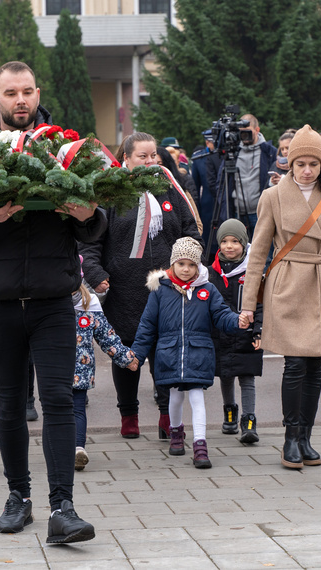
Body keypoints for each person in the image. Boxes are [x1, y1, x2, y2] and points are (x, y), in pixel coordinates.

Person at [0, 60, 106, 543]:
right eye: (11, 93)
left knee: (56, 402)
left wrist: (85, 213)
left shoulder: (67, 150)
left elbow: (97, 223)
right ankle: (18, 498)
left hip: (55, 299)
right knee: (8, 405)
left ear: (38, 92)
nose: (21, 101)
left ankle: (63, 508)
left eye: (27, 91)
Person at [241, 125, 321, 470]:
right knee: (294, 364)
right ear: (289, 163)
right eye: (300, 163)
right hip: (287, 282)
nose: (307, 170)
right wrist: (248, 305)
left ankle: (306, 436)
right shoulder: (272, 196)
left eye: (314, 163)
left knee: (316, 365)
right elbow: (257, 252)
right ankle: (290, 437)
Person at [81, 131, 201, 441]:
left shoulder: (169, 189)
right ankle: (129, 415)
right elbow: (91, 240)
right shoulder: (109, 192)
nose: (150, 162)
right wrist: (95, 272)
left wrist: (187, 265)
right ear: (126, 159)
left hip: (167, 289)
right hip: (124, 290)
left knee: (166, 353)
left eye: (154, 156)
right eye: (143, 157)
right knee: (126, 355)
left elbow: (189, 231)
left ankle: (167, 415)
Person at [132, 237, 244, 468]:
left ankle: (200, 444)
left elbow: (222, 315)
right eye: (181, 264)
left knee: (196, 396)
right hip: (169, 353)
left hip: (198, 353)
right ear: (173, 264)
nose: (186, 269)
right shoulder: (160, 291)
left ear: (198, 267)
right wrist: (137, 355)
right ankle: (176, 433)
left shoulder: (208, 290)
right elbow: (147, 325)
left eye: (191, 265)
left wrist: (237, 320)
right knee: (174, 396)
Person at [70, 278, 137, 471]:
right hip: (52, 369)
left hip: (80, 370)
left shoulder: (88, 302)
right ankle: (57, 448)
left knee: (77, 409)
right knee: (55, 411)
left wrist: (127, 358)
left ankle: (77, 449)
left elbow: (107, 336)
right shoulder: (46, 302)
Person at [207, 218, 263, 443]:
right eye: (224, 241)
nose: (229, 246)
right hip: (220, 334)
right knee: (226, 375)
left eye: (235, 241)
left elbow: (260, 304)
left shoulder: (253, 270)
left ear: (244, 243)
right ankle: (229, 411)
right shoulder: (211, 273)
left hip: (246, 334)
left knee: (247, 377)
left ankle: (249, 421)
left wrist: (258, 330)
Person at [208, 114, 277, 236]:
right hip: (236, 212)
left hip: (260, 213)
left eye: (247, 132)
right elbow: (221, 182)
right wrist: (224, 206)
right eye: (241, 133)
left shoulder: (269, 152)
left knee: (261, 252)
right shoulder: (233, 153)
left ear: (257, 130)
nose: (244, 136)